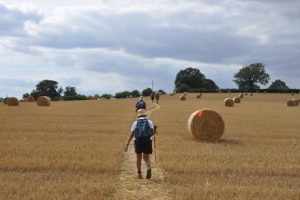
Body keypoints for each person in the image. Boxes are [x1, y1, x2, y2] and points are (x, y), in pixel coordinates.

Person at [124, 109, 155, 179]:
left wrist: (127, 144)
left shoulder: (135, 123)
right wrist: (153, 131)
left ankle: (139, 173)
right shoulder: (149, 122)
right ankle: (148, 167)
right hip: (147, 141)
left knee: (138, 158)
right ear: (144, 115)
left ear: (138, 115)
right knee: (146, 157)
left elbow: (131, 134)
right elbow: (152, 132)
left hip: (138, 141)